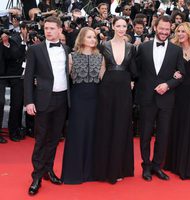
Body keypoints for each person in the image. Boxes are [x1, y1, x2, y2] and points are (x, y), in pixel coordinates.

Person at [24, 16, 70, 195]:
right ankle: (36, 175)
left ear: (60, 30)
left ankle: (48, 170)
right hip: (43, 99)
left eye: (52, 28)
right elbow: (28, 77)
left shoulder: (67, 49)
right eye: (46, 28)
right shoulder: (35, 49)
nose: (48, 31)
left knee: (55, 138)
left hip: (62, 100)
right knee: (41, 139)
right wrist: (29, 101)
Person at [136, 16, 185, 182]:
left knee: (163, 135)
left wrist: (168, 84)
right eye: (161, 28)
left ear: (170, 29)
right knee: (145, 135)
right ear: (155, 27)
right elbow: (136, 72)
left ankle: (157, 166)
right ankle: (146, 166)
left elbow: (181, 74)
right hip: (147, 99)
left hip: (167, 99)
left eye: (167, 29)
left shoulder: (176, 50)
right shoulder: (142, 47)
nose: (164, 32)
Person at [93, 16, 138, 184]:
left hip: (124, 90)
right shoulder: (103, 45)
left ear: (127, 27)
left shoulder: (132, 47)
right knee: (106, 125)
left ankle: (118, 168)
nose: (121, 29)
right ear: (112, 26)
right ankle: (104, 169)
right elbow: (101, 69)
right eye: (118, 25)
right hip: (106, 88)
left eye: (124, 26)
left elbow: (134, 70)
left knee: (121, 126)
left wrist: (132, 81)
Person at [61, 27, 105, 184]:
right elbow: (64, 79)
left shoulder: (101, 58)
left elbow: (104, 80)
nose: (93, 40)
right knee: (77, 134)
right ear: (81, 39)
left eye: (94, 37)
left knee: (93, 134)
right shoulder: (72, 56)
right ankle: (74, 173)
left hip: (95, 101)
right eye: (89, 37)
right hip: (78, 100)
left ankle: (91, 172)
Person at [164, 22, 190, 180]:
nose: (180, 34)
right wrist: (173, 74)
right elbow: (165, 68)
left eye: (183, 31)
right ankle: (176, 163)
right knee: (178, 123)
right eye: (178, 31)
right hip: (177, 91)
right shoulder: (174, 49)